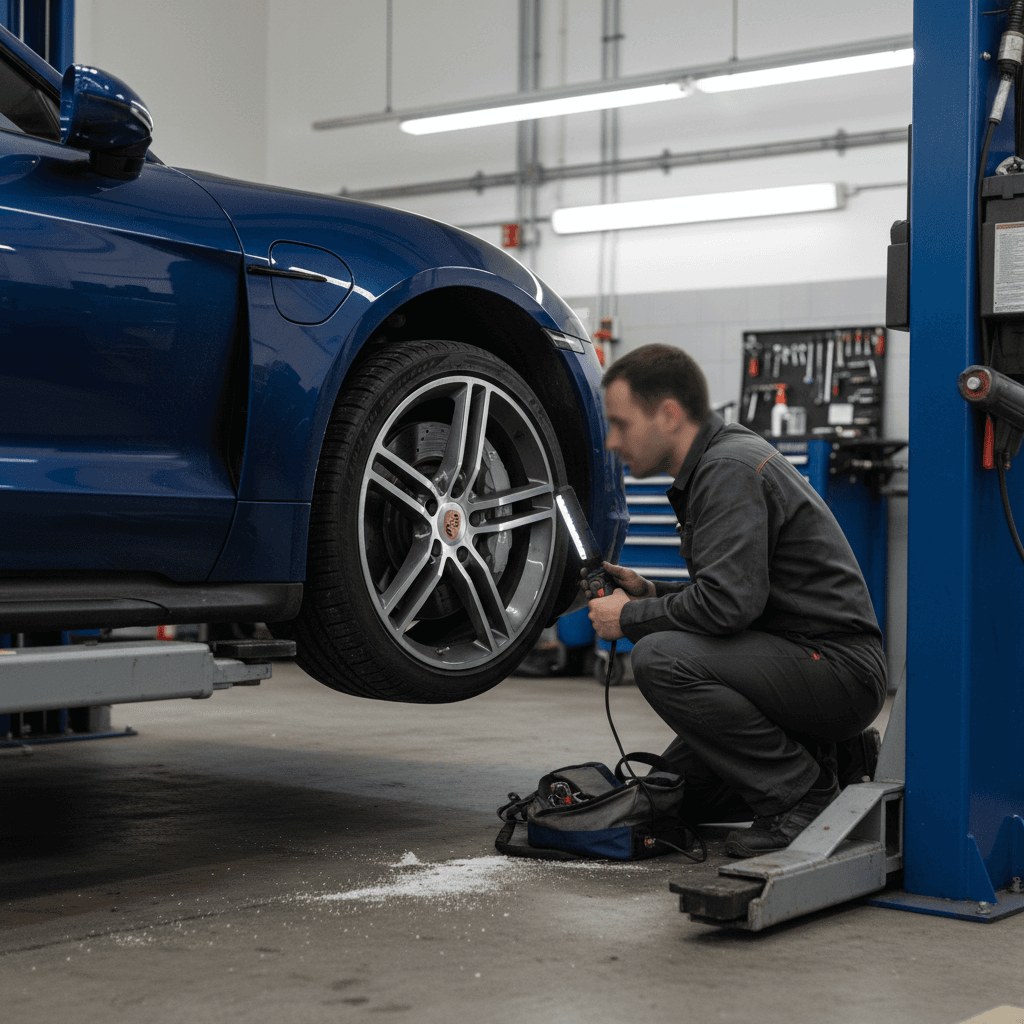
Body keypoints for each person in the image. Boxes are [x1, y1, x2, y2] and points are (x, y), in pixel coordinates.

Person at [586, 343, 886, 857]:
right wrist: (651, 593)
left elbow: (727, 608)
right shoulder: (722, 458)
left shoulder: (727, 469)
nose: (612, 441)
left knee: (660, 658)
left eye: (621, 423)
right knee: (681, 798)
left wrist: (631, 617)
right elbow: (740, 592)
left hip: (837, 670)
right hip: (806, 660)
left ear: (669, 414)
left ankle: (803, 797)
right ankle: (835, 754)